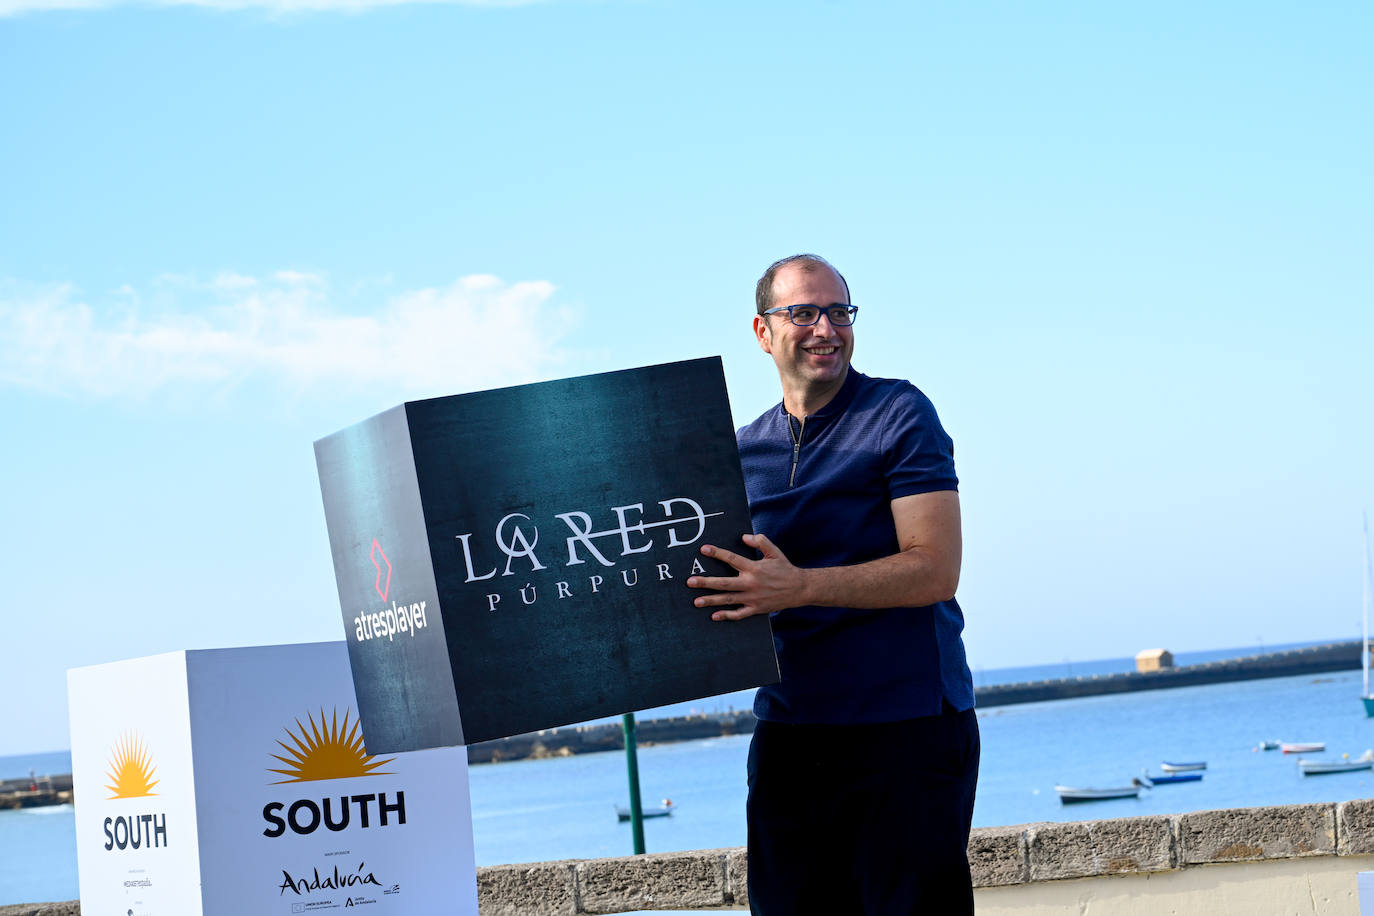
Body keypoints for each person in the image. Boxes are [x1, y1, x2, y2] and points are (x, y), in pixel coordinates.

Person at [686, 254, 979, 915]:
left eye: (839, 312)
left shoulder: (899, 413)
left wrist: (799, 587)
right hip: (791, 736)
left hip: (907, 731)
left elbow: (935, 566)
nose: (826, 328)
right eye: (803, 313)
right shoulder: (739, 452)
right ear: (763, 332)